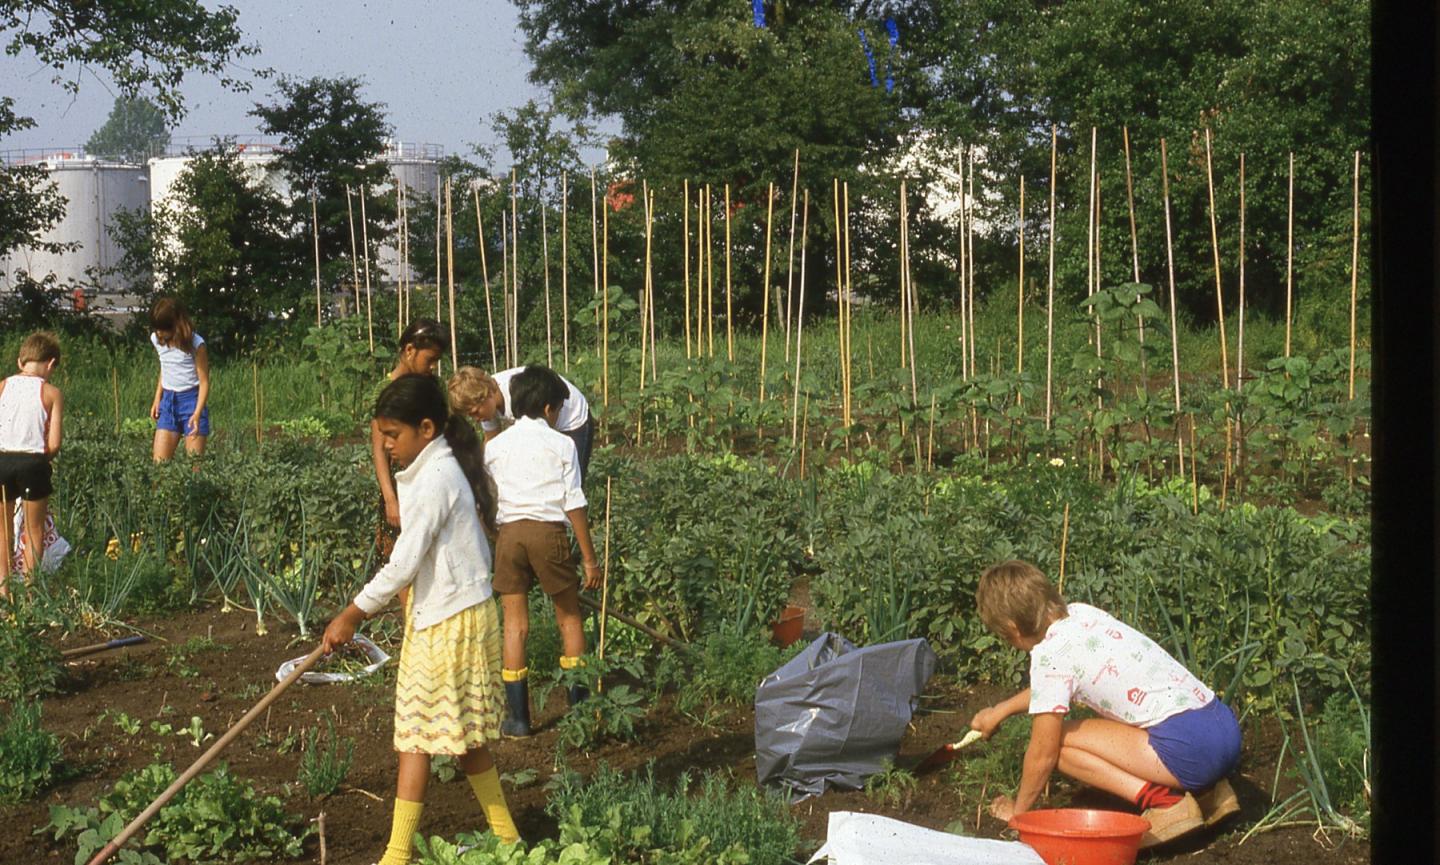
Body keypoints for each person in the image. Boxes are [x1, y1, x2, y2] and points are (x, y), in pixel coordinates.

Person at [322, 373, 519, 864]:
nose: (385, 446)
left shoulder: (435, 478)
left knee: (417, 737)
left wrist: (352, 613)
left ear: (426, 428)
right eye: (383, 435)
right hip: (448, 614)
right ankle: (509, 839)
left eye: (393, 435)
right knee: (460, 737)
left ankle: (396, 854)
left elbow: (404, 563)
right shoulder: (434, 466)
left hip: (451, 622)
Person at [969, 560, 1241, 848]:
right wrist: (1001, 711)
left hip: (1189, 749)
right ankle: (1212, 794)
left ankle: (1166, 804)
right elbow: (1052, 688)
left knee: (1058, 744)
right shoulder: (1082, 614)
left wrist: (1019, 815)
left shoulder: (1049, 655)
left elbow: (1042, 754)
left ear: (1013, 629)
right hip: (1223, 728)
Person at [482, 366, 602, 738]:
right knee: (568, 618)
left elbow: (488, 497)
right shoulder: (562, 444)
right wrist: (588, 557)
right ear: (549, 408)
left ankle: (518, 720)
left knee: (515, 626)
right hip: (547, 534)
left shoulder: (496, 446)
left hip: (510, 537)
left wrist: (495, 535)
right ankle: (579, 711)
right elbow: (574, 503)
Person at [372, 319, 447, 562]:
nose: (433, 367)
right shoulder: (385, 391)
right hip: (399, 482)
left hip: (429, 476)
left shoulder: (429, 387)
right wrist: (390, 500)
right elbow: (380, 450)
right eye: (430, 360)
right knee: (399, 555)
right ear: (409, 351)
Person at [449, 364, 595, 482]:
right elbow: (491, 440)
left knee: (571, 480)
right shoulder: (487, 405)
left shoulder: (517, 394)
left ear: (486, 394)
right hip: (546, 419)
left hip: (571, 418)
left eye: (475, 412)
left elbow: (542, 435)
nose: (475, 418)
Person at [0, 332, 64, 597]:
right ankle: (29, 590)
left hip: (1, 460)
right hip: (33, 462)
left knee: (3, 532)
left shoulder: (2, 386)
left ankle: (3, 591)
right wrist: (38, 461)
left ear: (20, 361)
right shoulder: (51, 393)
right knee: (33, 530)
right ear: (50, 364)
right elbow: (55, 443)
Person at [148, 297, 210, 461]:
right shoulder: (157, 340)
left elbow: (204, 382)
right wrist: (157, 399)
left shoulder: (196, 344)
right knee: (159, 467)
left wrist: (197, 414)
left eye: (164, 328)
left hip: (191, 402)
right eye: (157, 328)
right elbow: (166, 368)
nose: (159, 333)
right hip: (168, 404)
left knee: (194, 467)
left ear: (176, 324)